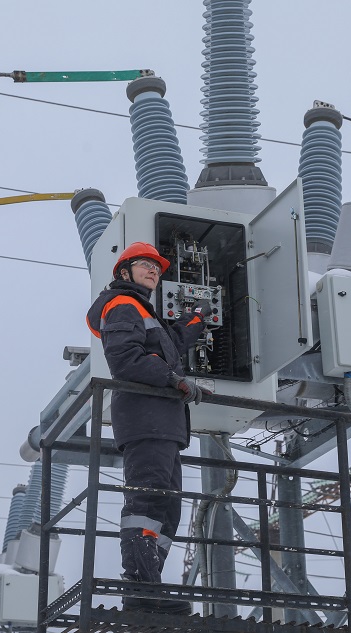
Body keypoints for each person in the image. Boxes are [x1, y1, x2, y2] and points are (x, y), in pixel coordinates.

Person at [86, 241, 211, 614]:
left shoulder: (143, 310)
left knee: (167, 510)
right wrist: (175, 380)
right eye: (145, 264)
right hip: (146, 419)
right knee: (147, 502)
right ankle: (141, 590)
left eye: (157, 267)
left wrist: (196, 318)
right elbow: (126, 360)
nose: (154, 270)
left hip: (164, 423)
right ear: (124, 272)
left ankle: (147, 587)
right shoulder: (122, 305)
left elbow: (170, 344)